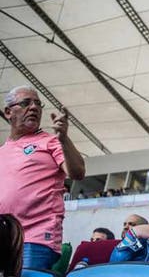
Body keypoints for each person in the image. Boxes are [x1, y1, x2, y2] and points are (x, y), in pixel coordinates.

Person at [0, 85, 85, 269]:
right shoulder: (2, 152)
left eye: (38, 104)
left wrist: (63, 138)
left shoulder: (51, 141)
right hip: (4, 239)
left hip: (36, 237)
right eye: (25, 103)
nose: (34, 107)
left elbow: (78, 172)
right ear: (8, 112)